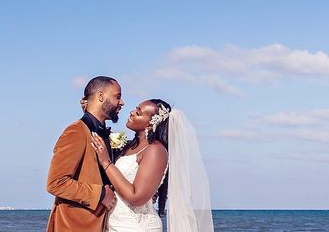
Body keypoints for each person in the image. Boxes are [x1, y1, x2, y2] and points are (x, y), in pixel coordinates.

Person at [90, 99, 214, 232]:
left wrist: (106, 162)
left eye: (138, 113)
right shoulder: (130, 147)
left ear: (149, 125)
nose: (131, 113)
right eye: (135, 109)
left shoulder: (156, 150)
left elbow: (136, 197)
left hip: (136, 226)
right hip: (115, 223)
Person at [45, 76, 125, 232]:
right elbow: (55, 182)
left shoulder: (103, 133)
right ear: (101, 96)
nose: (122, 102)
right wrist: (101, 194)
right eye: (118, 96)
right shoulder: (76, 131)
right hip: (74, 226)